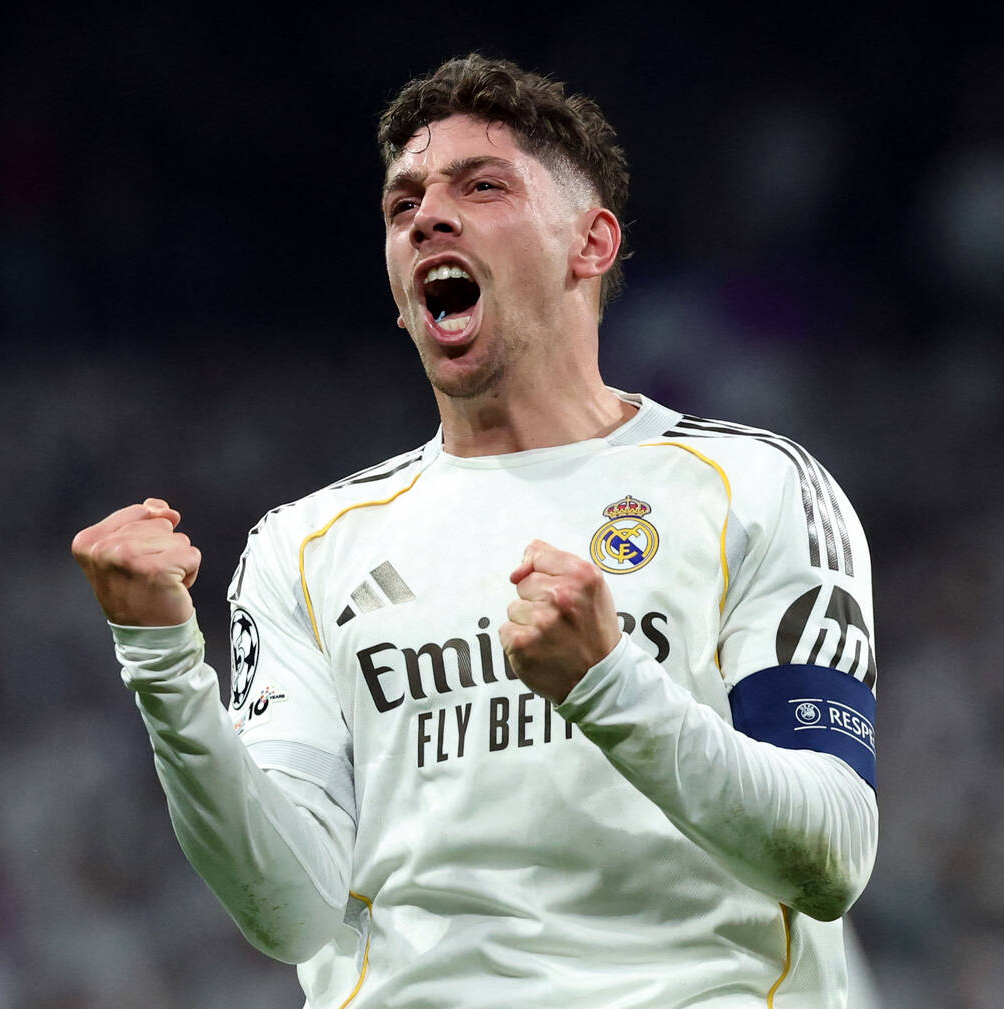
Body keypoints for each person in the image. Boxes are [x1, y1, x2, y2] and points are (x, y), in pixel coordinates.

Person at [72, 54, 879, 1008]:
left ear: (592, 243)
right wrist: (161, 659)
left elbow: (832, 851)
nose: (426, 216)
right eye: (401, 202)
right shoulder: (305, 545)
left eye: (480, 186)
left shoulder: (755, 485)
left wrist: (609, 683)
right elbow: (290, 913)